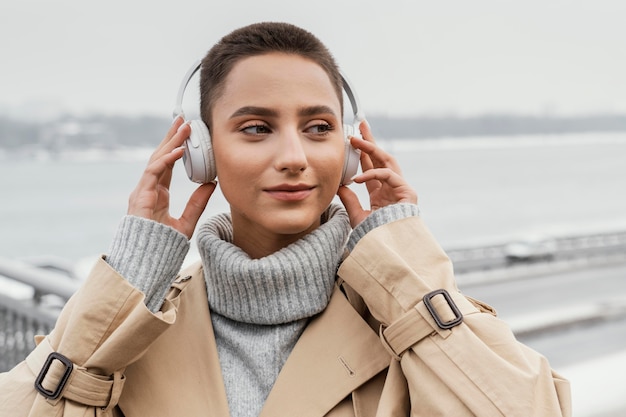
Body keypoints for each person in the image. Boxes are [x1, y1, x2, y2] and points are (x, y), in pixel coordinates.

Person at [0, 22, 570, 417]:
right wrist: (132, 270)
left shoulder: (410, 319)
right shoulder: (132, 342)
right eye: (256, 128)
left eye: (319, 127)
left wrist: (405, 262)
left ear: (350, 151)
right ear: (201, 152)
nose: (295, 155)